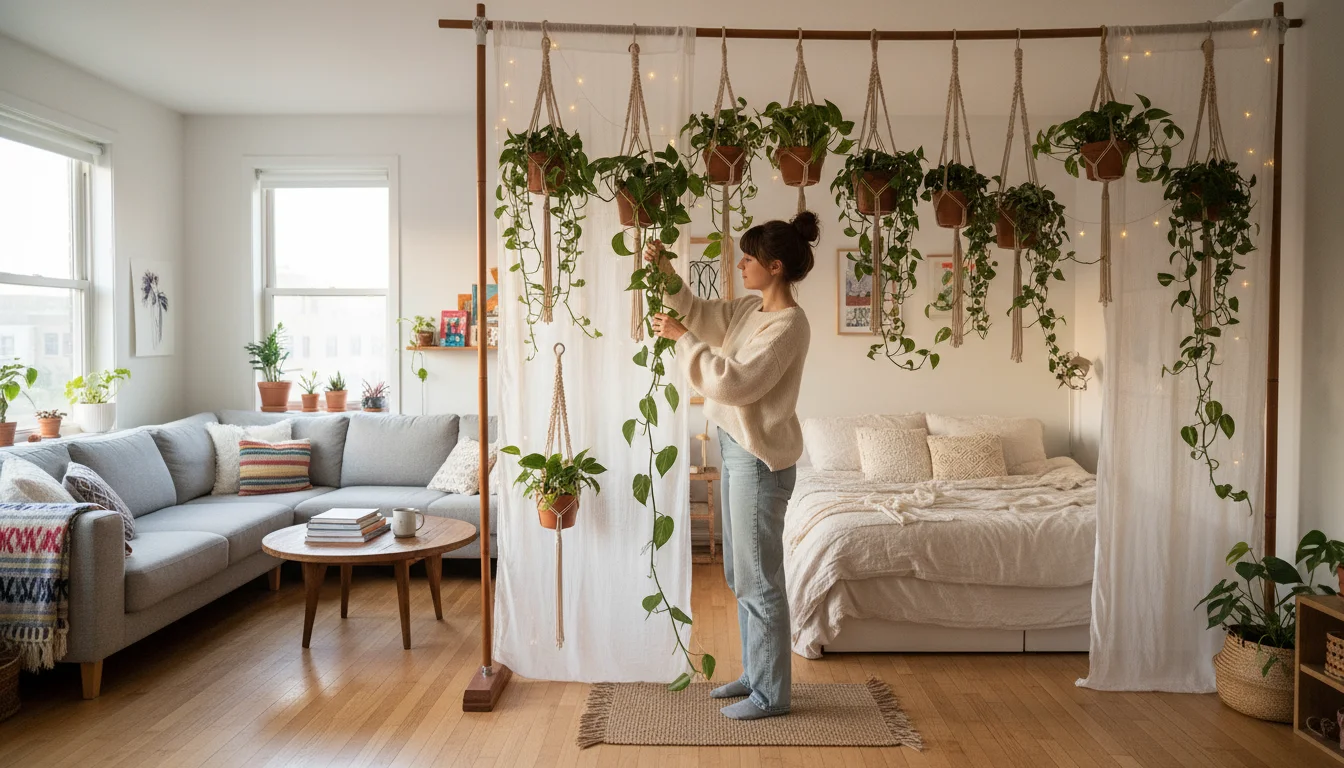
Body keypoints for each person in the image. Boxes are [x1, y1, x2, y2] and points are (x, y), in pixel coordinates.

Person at [646, 210, 818, 720]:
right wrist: (667, 276)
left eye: (750, 259)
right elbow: (701, 314)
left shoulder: (789, 325)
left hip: (759, 462)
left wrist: (681, 339)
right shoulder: (749, 311)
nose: (741, 265)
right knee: (738, 571)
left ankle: (772, 695)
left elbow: (735, 382)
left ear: (776, 266)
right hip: (736, 451)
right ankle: (754, 675)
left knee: (759, 578)